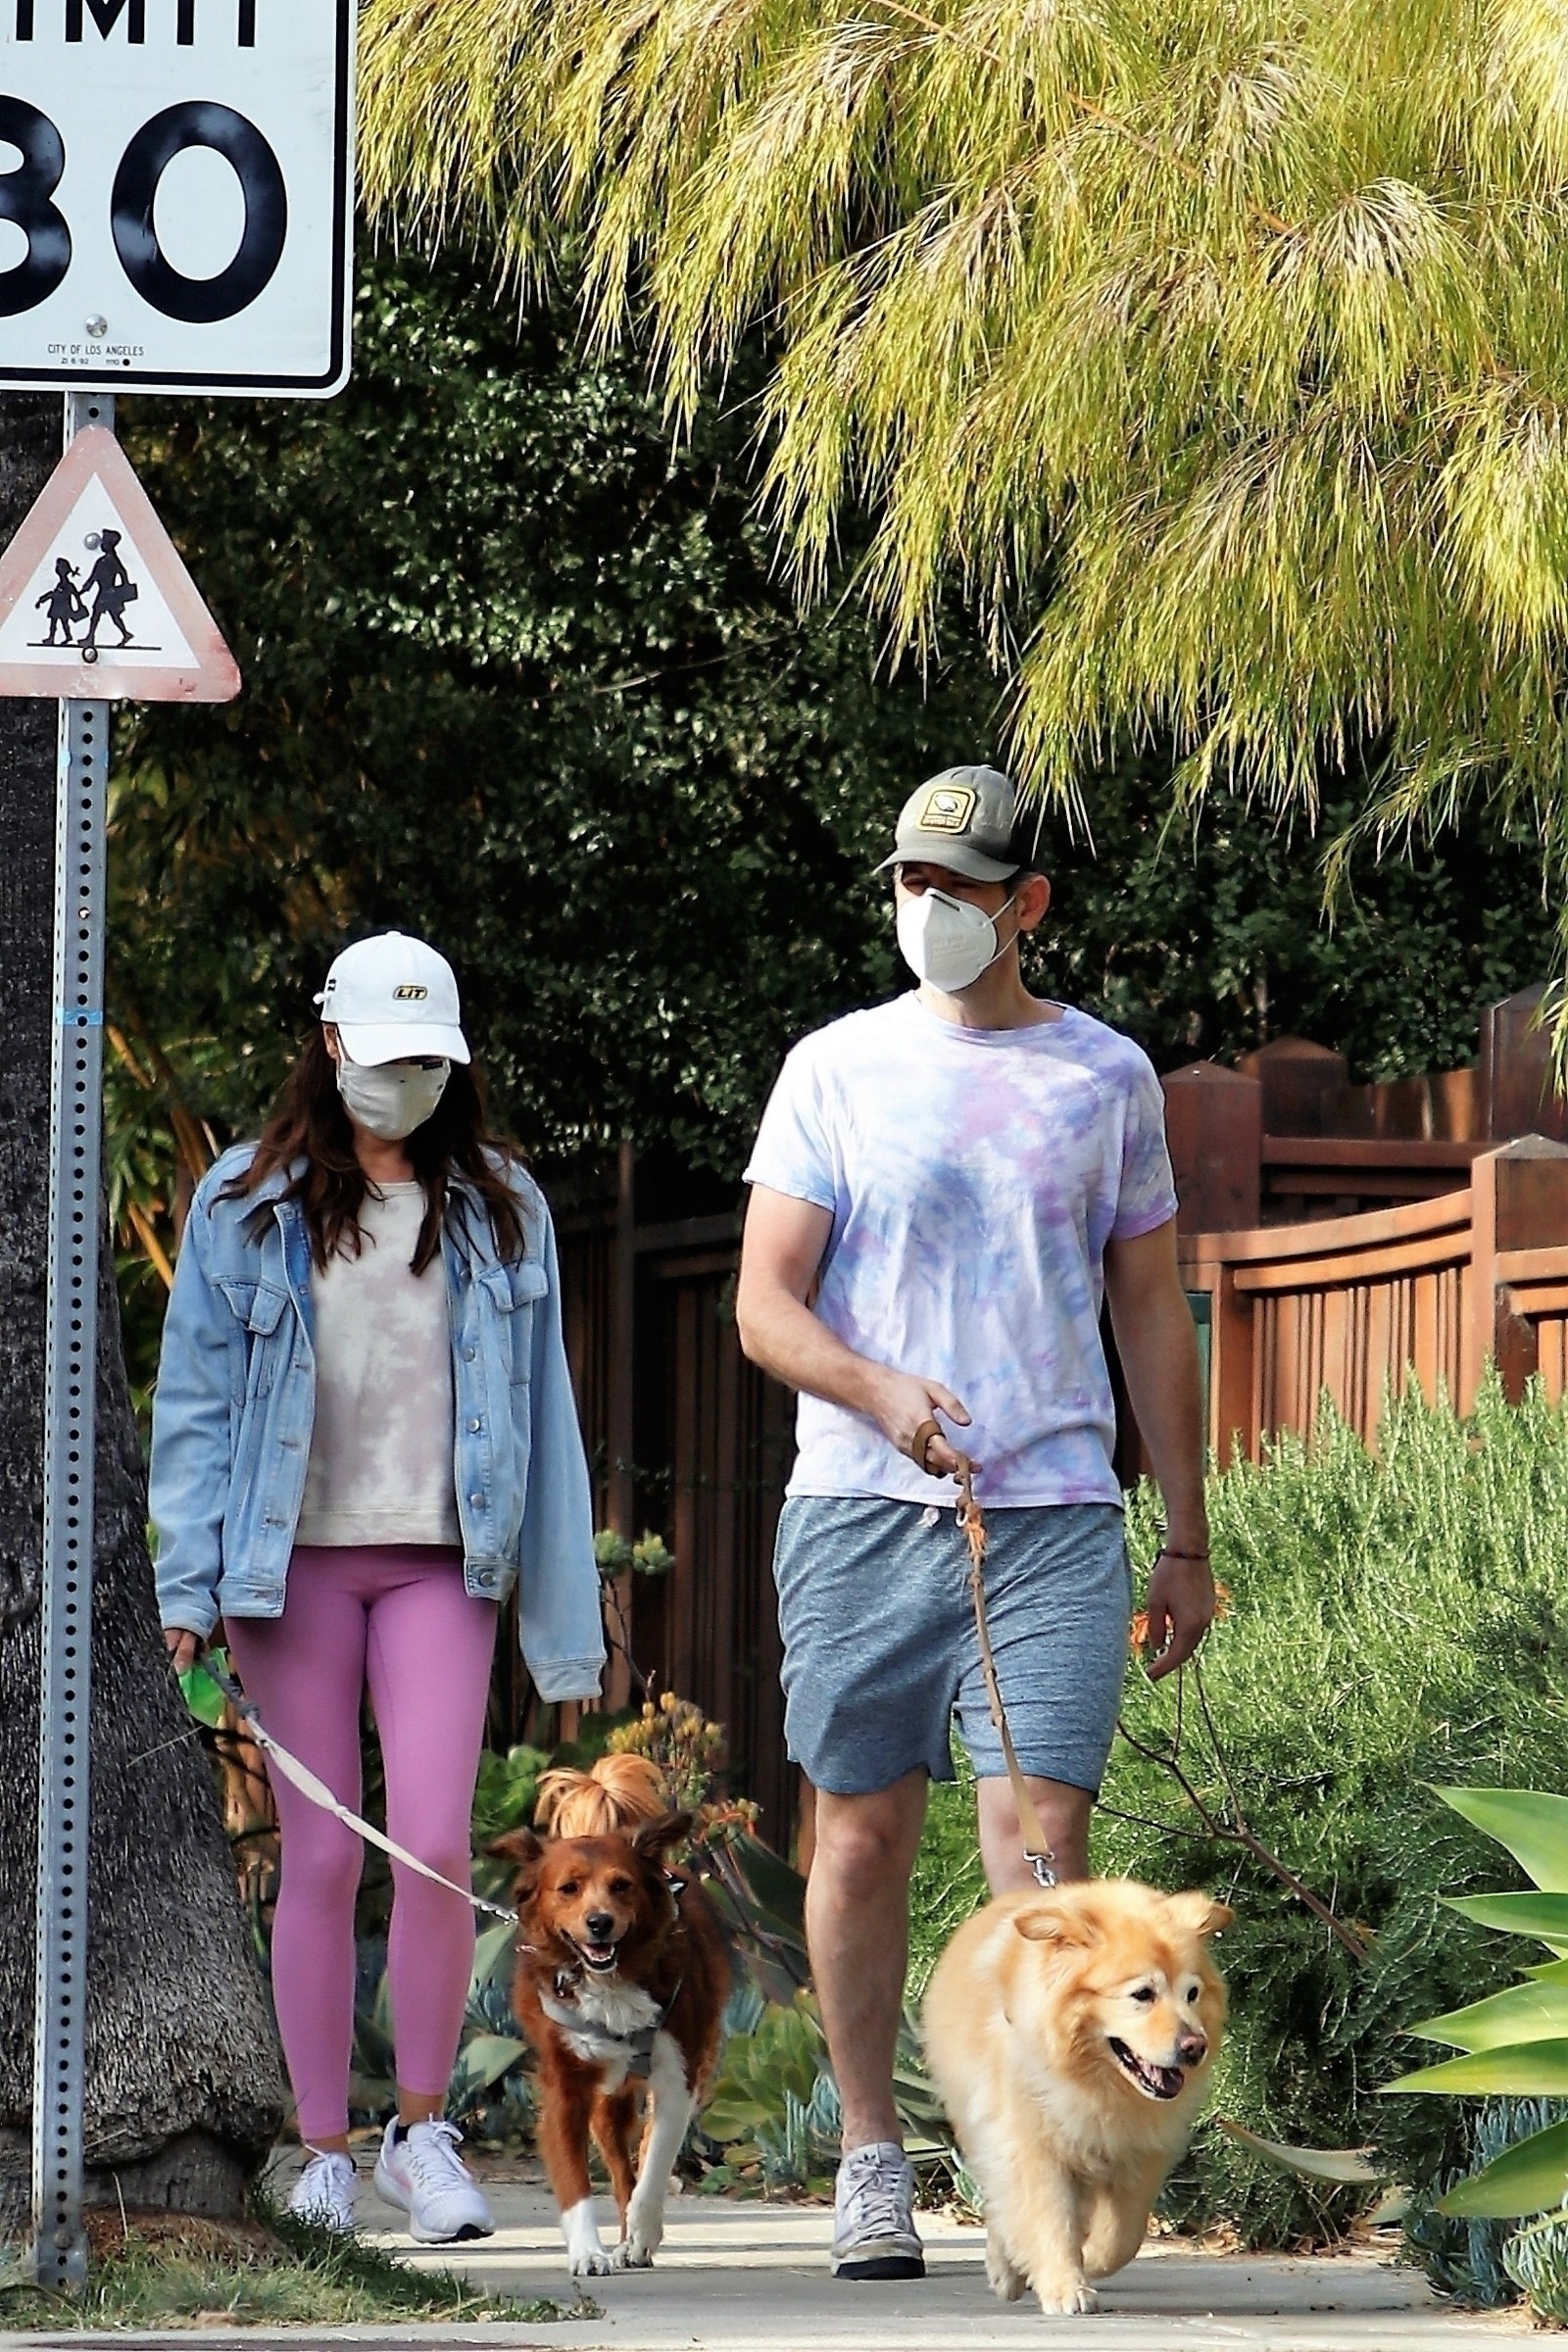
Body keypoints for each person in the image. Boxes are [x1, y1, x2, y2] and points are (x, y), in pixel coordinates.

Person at [735, 765, 1214, 2282]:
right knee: (862, 1841)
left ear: (1028, 904)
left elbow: (1151, 1309)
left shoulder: (1104, 1078)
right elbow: (764, 1305)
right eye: (910, 882)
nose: (929, 908)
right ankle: (872, 2154)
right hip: (861, 1514)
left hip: (1054, 1517)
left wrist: (1186, 1536)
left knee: (1045, 1850)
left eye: (960, 886)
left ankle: (1036, 2170)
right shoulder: (835, 1070)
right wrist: (876, 1389)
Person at [150, 931, 605, 2242]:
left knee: (440, 1847)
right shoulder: (245, 1199)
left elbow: (546, 1417)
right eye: (384, 1051)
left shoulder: (503, 1205)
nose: (404, 1077)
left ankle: (421, 2134)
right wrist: (185, 1588)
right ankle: (322, 2152)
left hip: (442, 1563)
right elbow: (195, 1403)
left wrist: (563, 1630)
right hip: (284, 1568)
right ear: (333, 1040)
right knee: (324, 1851)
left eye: (428, 1059)